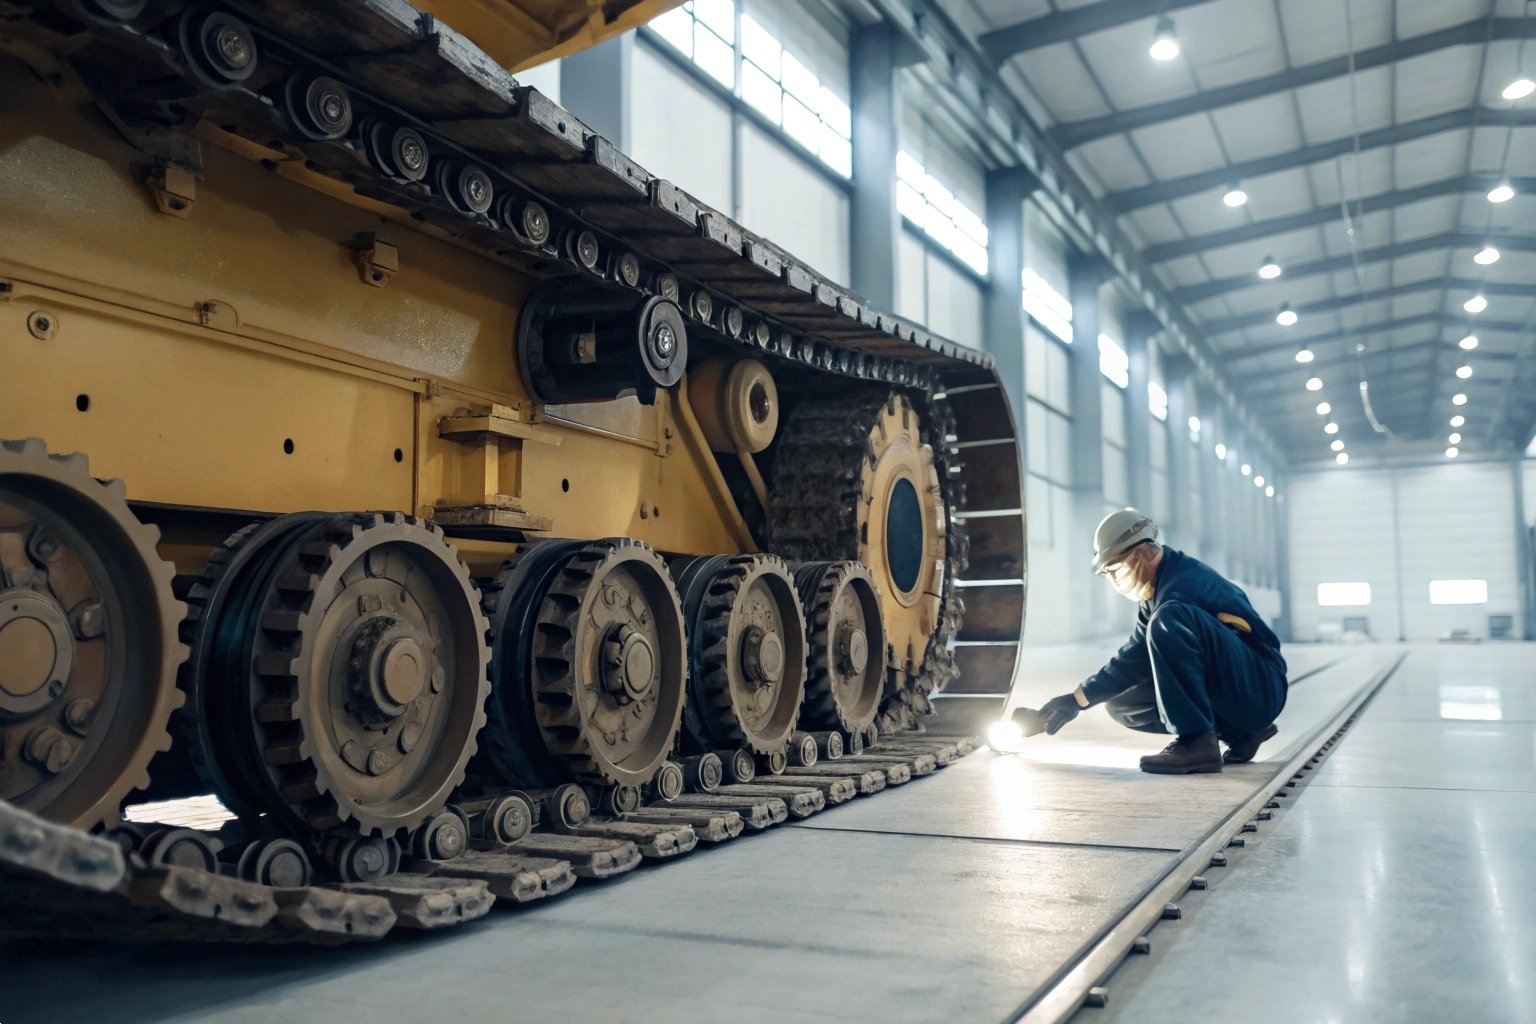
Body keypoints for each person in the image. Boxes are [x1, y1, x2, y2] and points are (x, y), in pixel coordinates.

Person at [1027, 508, 1288, 774]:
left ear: (1139, 554)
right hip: (1242, 691)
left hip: (1261, 686)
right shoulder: (1157, 592)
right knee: (1123, 704)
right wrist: (1075, 701)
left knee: (1169, 617)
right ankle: (1240, 734)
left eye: (1114, 570)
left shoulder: (1182, 587)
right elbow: (1132, 660)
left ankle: (1196, 742)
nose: (1115, 580)